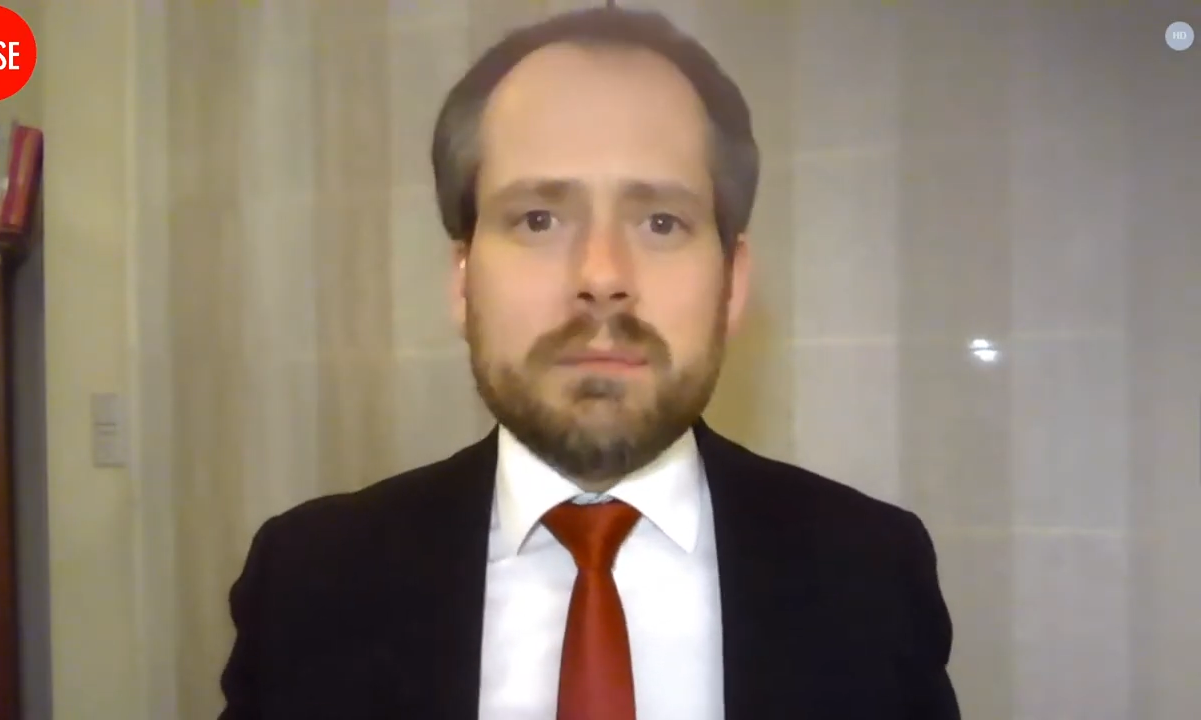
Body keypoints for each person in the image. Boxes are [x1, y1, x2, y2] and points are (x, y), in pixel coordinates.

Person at [219, 7, 959, 720]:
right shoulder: (307, 584)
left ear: (733, 283)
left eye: (661, 221)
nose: (602, 274)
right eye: (538, 219)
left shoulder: (873, 576)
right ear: (462, 279)